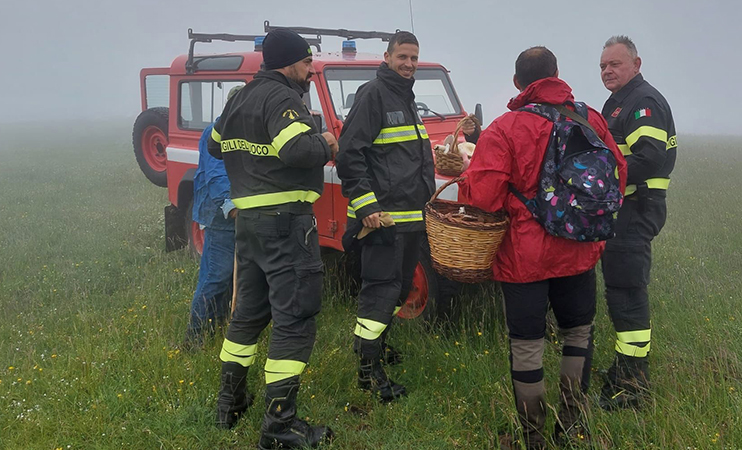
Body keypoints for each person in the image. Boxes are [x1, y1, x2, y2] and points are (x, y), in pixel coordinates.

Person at [457, 47, 627, 448]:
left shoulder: (504, 128)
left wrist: (464, 178)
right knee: (578, 335)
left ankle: (532, 435)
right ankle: (571, 427)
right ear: (556, 75)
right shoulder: (589, 118)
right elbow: (618, 172)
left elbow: (483, 198)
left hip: (524, 258)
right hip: (580, 252)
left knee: (528, 344)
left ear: (518, 83)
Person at [208, 28, 339, 449]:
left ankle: (229, 403)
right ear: (288, 63)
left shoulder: (239, 97)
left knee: (247, 314)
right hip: (286, 225)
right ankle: (279, 425)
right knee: (294, 319)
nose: (310, 70)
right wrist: (327, 143)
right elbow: (297, 151)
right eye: (306, 63)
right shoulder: (284, 99)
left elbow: (215, 145)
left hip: (249, 224)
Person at [335, 31, 434, 403]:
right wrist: (368, 207)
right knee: (379, 292)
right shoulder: (374, 95)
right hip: (383, 221)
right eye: (402, 57)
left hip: (409, 220)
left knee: (397, 289)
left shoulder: (406, 98)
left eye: (414, 58)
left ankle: (376, 348)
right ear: (388, 56)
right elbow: (349, 154)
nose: (409, 64)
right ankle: (368, 373)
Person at [596, 35, 677, 411]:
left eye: (615, 64)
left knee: (627, 294)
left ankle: (632, 386)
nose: (608, 71)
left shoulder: (643, 103)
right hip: (622, 209)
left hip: (635, 208)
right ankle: (624, 369)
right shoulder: (619, 103)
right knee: (619, 290)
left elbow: (649, 158)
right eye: (603, 66)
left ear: (636, 64)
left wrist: (598, 180)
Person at [183, 86, 242, 349]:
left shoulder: (245, 132)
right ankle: (193, 340)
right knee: (215, 276)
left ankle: (216, 329)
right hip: (219, 215)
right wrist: (231, 207)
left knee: (230, 277)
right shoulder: (215, 133)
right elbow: (216, 176)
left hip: (237, 212)